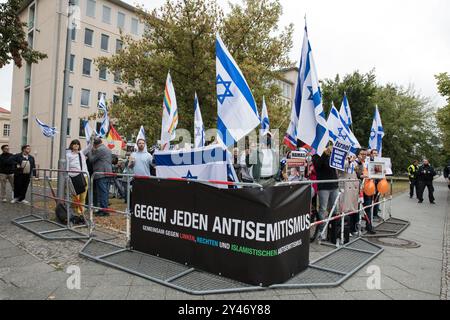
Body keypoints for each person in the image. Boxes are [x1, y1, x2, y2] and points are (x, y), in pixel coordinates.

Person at [313, 145, 339, 239]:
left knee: (335, 209)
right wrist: (324, 154)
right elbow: (318, 165)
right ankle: (322, 231)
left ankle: (333, 231)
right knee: (323, 209)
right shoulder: (316, 155)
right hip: (324, 186)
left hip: (334, 185)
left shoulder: (332, 155)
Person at [88, 138, 112, 216]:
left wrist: (89, 151)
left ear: (95, 144)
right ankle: (103, 208)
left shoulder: (99, 150)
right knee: (105, 192)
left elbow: (91, 159)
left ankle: (104, 211)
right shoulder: (107, 149)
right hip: (107, 172)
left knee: (102, 192)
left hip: (101, 173)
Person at [66, 140, 89, 219]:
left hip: (83, 176)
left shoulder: (81, 153)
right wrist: (68, 176)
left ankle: (80, 211)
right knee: (75, 196)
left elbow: (89, 147)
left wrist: (92, 139)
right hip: (73, 177)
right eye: (74, 144)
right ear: (71, 145)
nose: (76, 145)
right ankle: (75, 211)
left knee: (83, 195)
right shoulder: (68, 155)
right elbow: (67, 167)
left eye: (77, 144)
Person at [355, 148, 375, 234]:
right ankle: (356, 227)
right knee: (357, 209)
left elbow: (374, 172)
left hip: (367, 189)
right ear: (358, 155)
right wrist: (364, 176)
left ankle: (369, 226)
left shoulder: (367, 163)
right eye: (362, 154)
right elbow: (357, 175)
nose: (364, 156)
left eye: (365, 154)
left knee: (368, 208)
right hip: (358, 189)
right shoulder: (355, 163)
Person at [339, 155, 359, 236]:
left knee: (351, 208)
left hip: (352, 187)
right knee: (344, 208)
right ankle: (344, 229)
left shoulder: (352, 160)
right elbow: (341, 168)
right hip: (344, 186)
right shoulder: (341, 159)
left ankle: (350, 229)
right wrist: (349, 161)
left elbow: (355, 169)